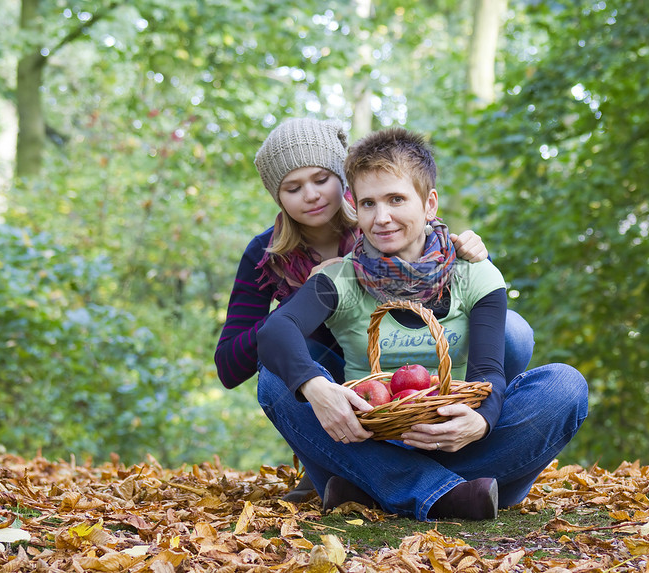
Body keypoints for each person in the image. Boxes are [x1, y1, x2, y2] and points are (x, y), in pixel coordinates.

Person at [256, 127, 588, 521]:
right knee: (275, 382)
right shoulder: (341, 277)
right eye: (368, 204)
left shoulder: (473, 274)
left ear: (429, 204)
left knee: (565, 385)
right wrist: (316, 388)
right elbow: (276, 331)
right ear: (355, 209)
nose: (382, 218)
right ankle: (447, 494)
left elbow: (488, 372)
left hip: (456, 441)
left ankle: (372, 491)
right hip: (367, 442)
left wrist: (480, 422)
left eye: (396, 199)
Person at [214, 118, 531, 500]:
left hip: (427, 377)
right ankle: (380, 471)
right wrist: (298, 304)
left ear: (343, 183)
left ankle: (376, 476)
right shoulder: (268, 255)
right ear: (277, 197)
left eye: (320, 179)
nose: (311, 195)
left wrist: (475, 252)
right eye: (292, 188)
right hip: (337, 387)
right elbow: (232, 365)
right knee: (278, 371)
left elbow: (471, 294)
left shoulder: (383, 225)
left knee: (513, 332)